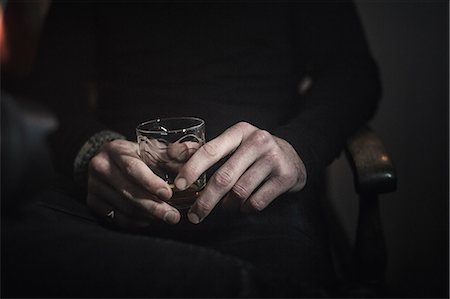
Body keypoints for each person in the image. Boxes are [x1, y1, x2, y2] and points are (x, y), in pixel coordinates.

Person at [2, 1, 381, 297]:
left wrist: (297, 146)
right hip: (115, 197)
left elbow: (353, 74)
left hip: (253, 199)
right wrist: (91, 151)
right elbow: (50, 88)